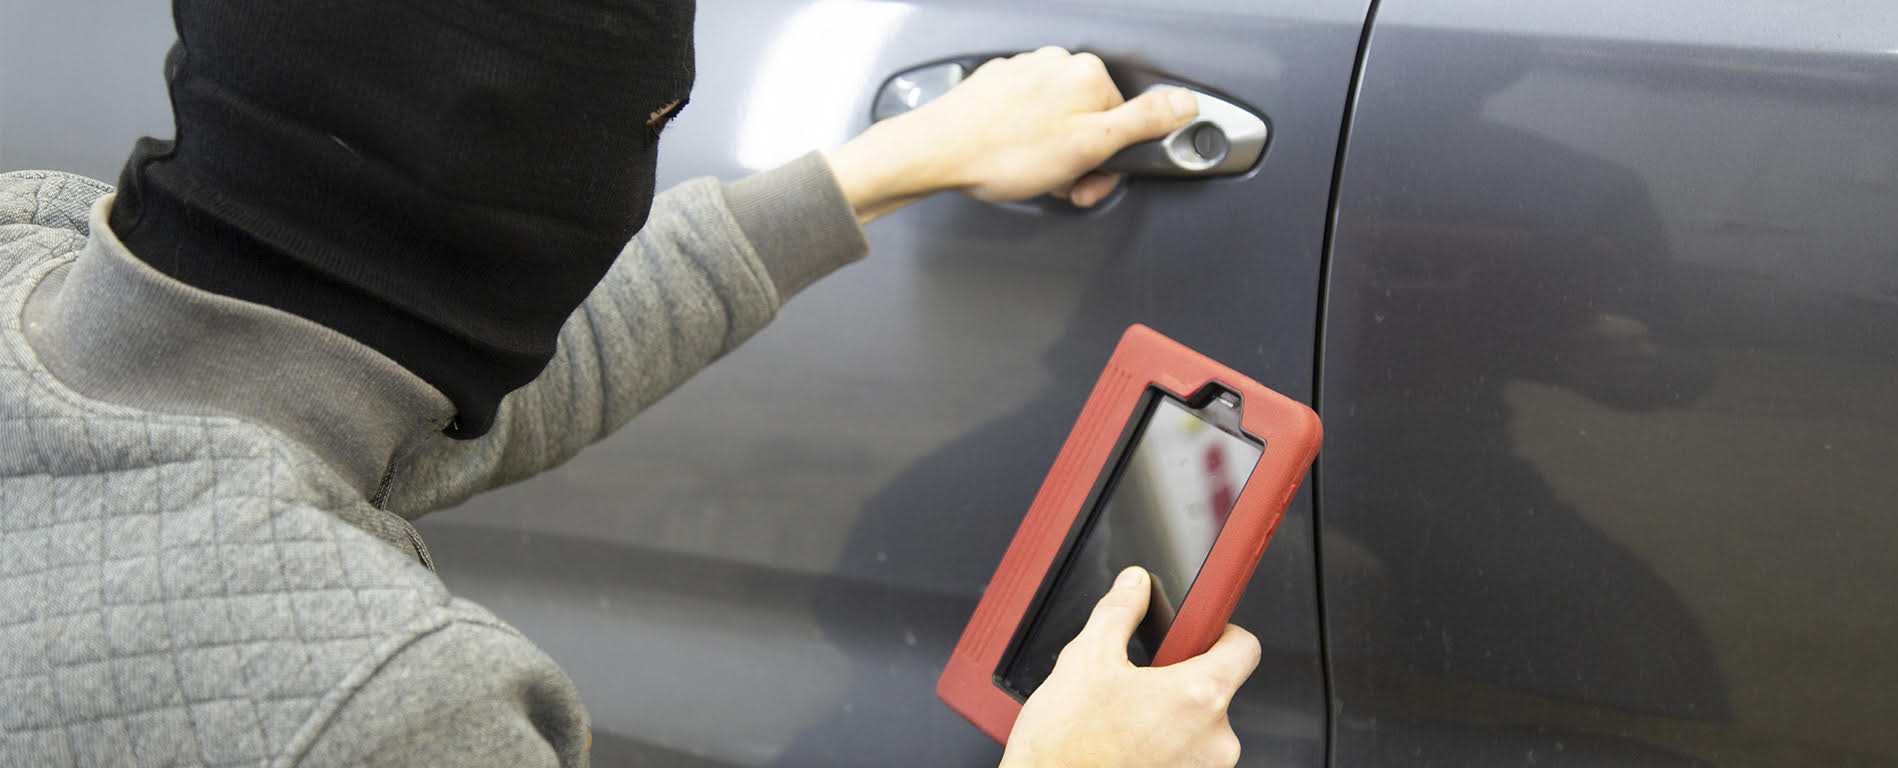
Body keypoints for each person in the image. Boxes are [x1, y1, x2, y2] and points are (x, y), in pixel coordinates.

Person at [0, 1, 1260, 766]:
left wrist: (891, 163)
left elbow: (429, 401)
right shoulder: (371, 710)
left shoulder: (32, 255)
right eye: (650, 127)